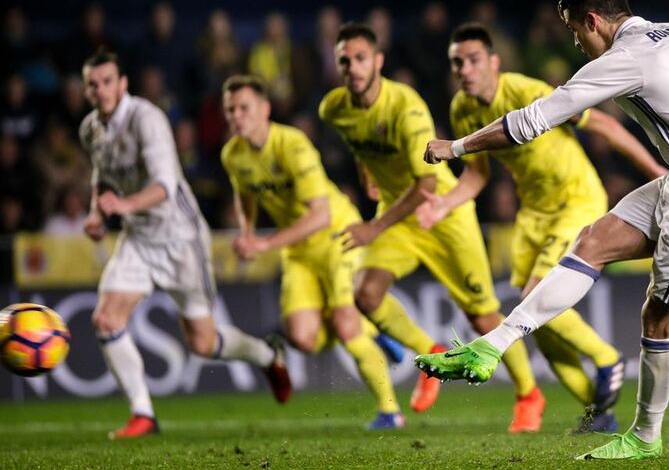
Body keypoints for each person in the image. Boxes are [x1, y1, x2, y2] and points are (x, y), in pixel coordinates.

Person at [416, 0, 669, 460]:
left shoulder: (625, 57)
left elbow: (529, 123)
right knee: (595, 240)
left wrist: (455, 146)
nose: (577, 44)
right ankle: (493, 344)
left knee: (660, 319)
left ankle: (644, 438)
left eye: (575, 32)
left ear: (594, 20)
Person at [416, 22, 668, 432]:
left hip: (574, 197)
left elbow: (602, 125)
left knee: (535, 295)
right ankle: (596, 410)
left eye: (473, 60)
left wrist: (654, 169)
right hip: (532, 212)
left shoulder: (523, 90)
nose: (464, 69)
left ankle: (607, 359)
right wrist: (443, 204)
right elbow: (477, 176)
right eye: (457, 62)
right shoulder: (462, 107)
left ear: (494, 62)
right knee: (539, 322)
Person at [319, 22, 542, 433]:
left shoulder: (406, 107)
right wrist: (365, 169)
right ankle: (430, 350)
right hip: (399, 215)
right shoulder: (333, 107)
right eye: (344, 60)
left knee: (482, 316)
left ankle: (529, 393)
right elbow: (358, 141)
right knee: (366, 294)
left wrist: (373, 228)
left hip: (441, 212)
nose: (352, 67)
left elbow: (424, 184)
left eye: (360, 58)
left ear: (378, 61)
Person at [79, 49, 291, 440]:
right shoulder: (91, 128)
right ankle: (142, 413)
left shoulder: (147, 120)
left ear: (122, 84)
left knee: (203, 342)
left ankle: (267, 354)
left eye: (108, 81)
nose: (101, 89)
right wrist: (96, 212)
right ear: (86, 89)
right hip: (139, 237)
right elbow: (102, 177)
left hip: (180, 238)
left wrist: (121, 205)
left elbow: (165, 186)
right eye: (93, 83)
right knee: (105, 319)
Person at [220, 74, 405, 429]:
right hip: (298, 249)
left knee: (345, 324)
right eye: (230, 110)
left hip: (337, 235)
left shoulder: (293, 145)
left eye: (244, 108)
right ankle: (370, 329)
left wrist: (264, 243)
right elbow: (243, 194)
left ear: (265, 110)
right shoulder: (233, 155)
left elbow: (319, 215)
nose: (236, 116)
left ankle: (390, 411)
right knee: (303, 338)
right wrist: (246, 231)